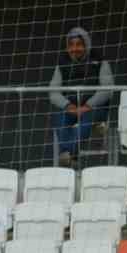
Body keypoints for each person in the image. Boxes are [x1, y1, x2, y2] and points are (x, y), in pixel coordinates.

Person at [48, 27, 114, 167]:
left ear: (86, 45)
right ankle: (70, 154)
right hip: (71, 108)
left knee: (87, 120)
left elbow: (108, 90)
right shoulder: (62, 63)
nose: (74, 48)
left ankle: (67, 153)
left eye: (79, 44)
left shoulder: (100, 61)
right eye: (71, 45)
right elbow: (53, 92)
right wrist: (68, 105)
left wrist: (88, 105)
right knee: (60, 117)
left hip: (94, 108)